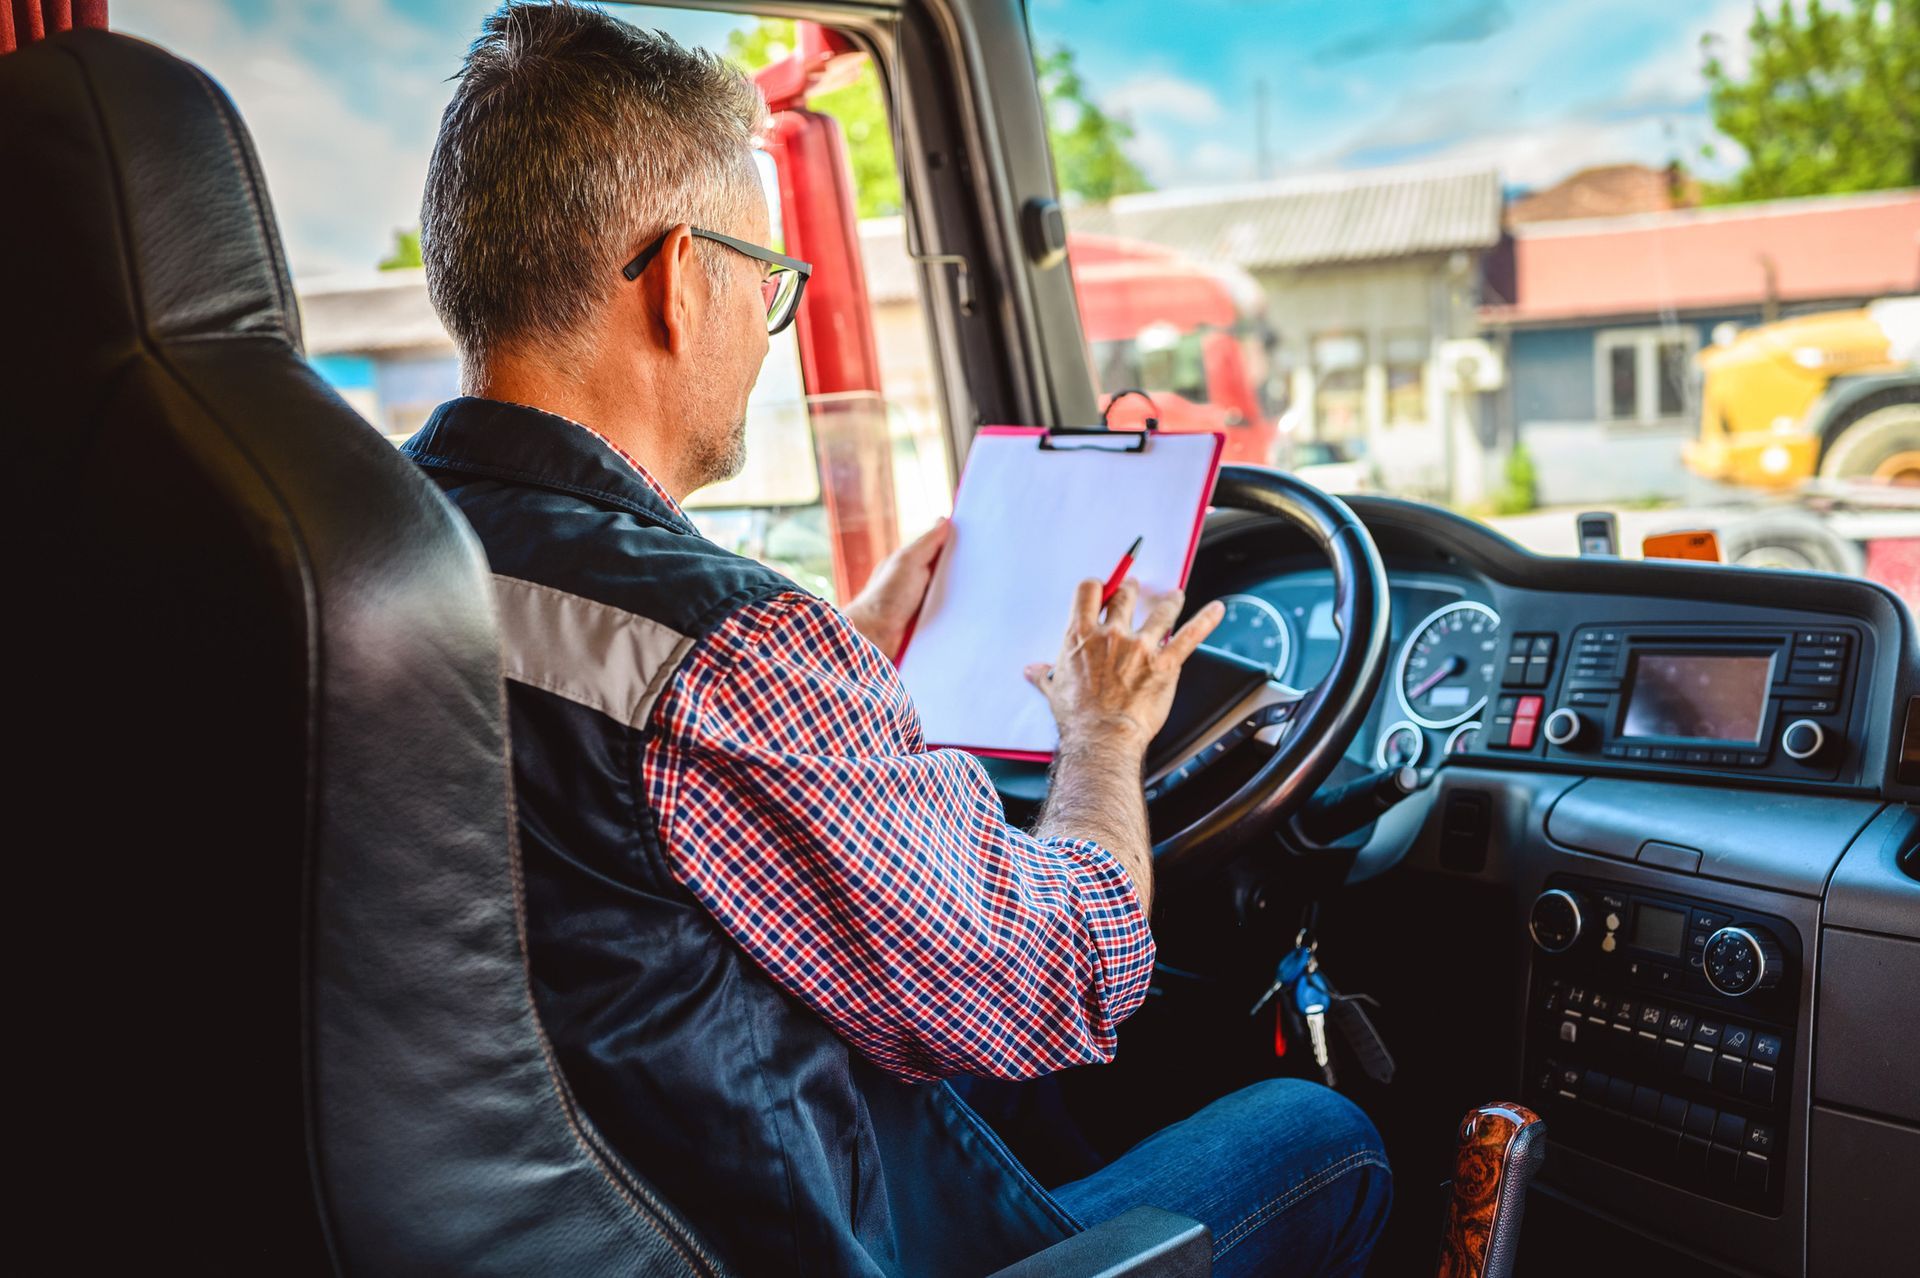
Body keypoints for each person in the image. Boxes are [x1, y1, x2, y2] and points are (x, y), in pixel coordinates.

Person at [403, 4, 1390, 1274]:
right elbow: (1066, 983)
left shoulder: (372, 552)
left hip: (579, 1216)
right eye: (769, 278)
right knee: (1328, 1131)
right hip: (798, 1240)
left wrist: (842, 655)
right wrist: (1100, 734)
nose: (770, 320)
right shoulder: (728, 654)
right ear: (675, 278)